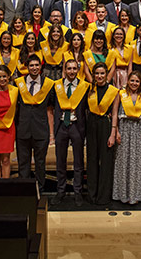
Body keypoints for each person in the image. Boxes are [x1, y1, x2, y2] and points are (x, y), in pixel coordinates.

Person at [51, 59, 90, 206]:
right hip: (61, 126)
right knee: (60, 161)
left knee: (78, 162)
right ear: (65, 70)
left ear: (78, 70)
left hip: (76, 126)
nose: (72, 71)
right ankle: (60, 191)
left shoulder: (84, 87)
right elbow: (52, 107)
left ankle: (77, 192)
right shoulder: (57, 86)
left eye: (74, 69)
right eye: (69, 69)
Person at [14, 55, 54, 193]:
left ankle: (40, 191)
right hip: (23, 130)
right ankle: (23, 192)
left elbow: (51, 108)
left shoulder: (48, 84)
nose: (34, 68)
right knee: (23, 164)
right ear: (27, 67)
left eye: (37, 65)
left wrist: (51, 133)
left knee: (40, 164)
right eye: (31, 65)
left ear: (41, 67)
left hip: (41, 130)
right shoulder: (18, 83)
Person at [110, 71, 141, 204]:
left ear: (140, 83)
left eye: (137, 81)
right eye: (132, 81)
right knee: (123, 162)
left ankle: (136, 195)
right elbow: (115, 113)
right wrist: (116, 131)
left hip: (139, 131)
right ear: (128, 81)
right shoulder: (121, 94)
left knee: (138, 163)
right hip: (124, 129)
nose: (134, 83)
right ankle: (123, 194)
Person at [86, 62, 119, 205]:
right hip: (91, 124)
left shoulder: (113, 91)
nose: (99, 76)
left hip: (106, 125)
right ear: (93, 75)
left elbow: (115, 113)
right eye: (97, 73)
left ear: (107, 75)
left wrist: (113, 133)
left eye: (102, 73)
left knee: (106, 161)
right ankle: (92, 195)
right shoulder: (89, 89)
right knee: (92, 159)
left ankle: (103, 196)